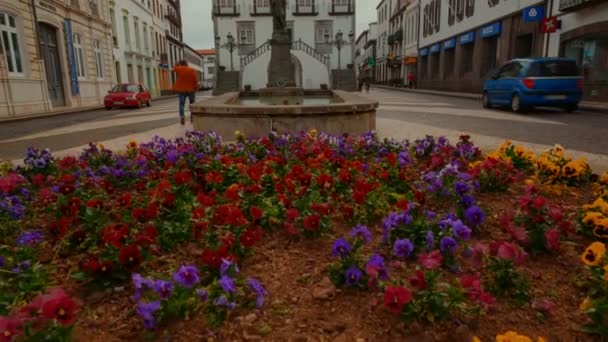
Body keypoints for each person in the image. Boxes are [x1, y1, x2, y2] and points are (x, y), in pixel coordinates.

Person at [172, 60, 198, 125]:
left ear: (181, 64)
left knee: (181, 104)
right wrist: (196, 87)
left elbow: (174, 68)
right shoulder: (191, 70)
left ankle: (182, 116)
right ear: (187, 64)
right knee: (192, 104)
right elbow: (195, 79)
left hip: (181, 90)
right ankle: (192, 117)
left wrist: (178, 63)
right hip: (191, 90)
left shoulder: (179, 69)